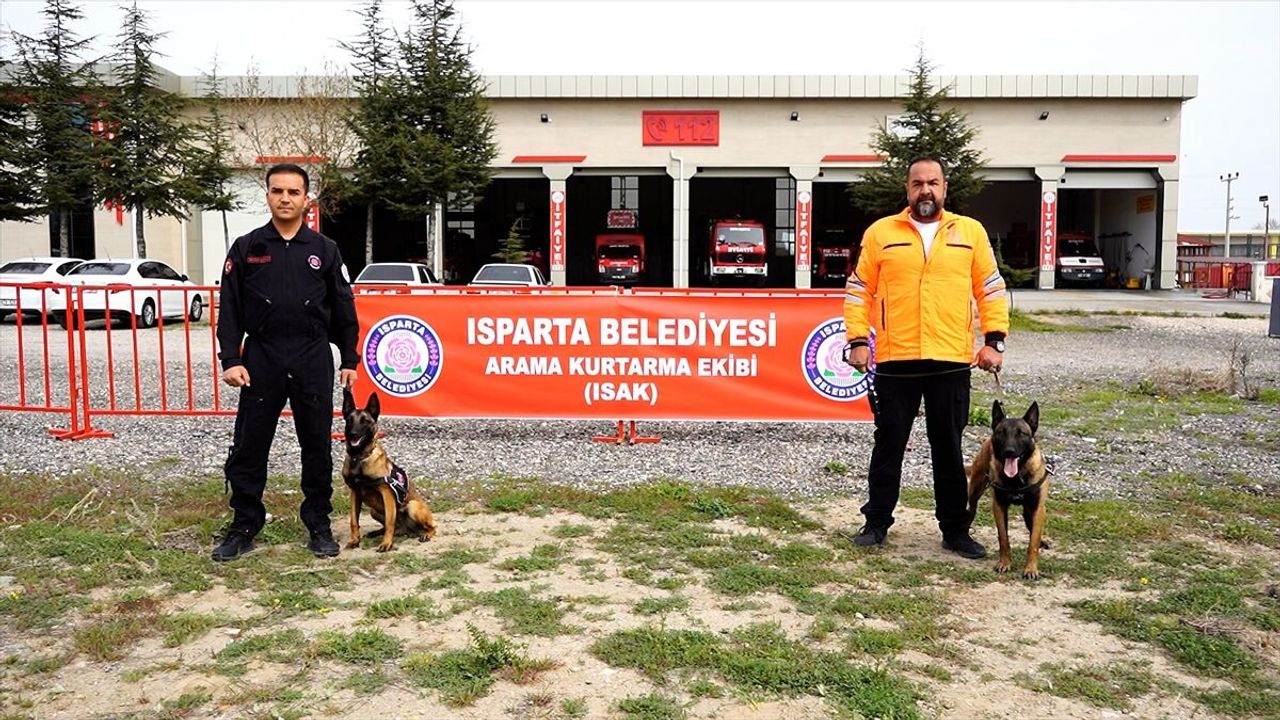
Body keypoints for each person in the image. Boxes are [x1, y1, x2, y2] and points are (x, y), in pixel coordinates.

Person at [843, 156, 1008, 559]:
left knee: (948, 448)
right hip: (896, 359)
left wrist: (995, 341)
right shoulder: (882, 233)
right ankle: (876, 522)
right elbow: (860, 290)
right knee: (889, 444)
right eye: (918, 183)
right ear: (908, 189)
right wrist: (857, 340)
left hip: (951, 359)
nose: (926, 190)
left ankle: (955, 530)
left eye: (933, 182)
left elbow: (990, 288)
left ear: (945, 188)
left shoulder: (970, 232)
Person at [212, 163, 359, 561]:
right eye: (277, 191)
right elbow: (230, 308)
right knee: (250, 444)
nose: (285, 198)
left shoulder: (325, 250)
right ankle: (244, 524)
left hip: (312, 356)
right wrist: (230, 358)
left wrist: (349, 357)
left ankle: (318, 523)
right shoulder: (247, 247)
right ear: (267, 196)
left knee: (316, 444)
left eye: (293, 192)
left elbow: (343, 306)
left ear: (306, 199)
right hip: (263, 356)